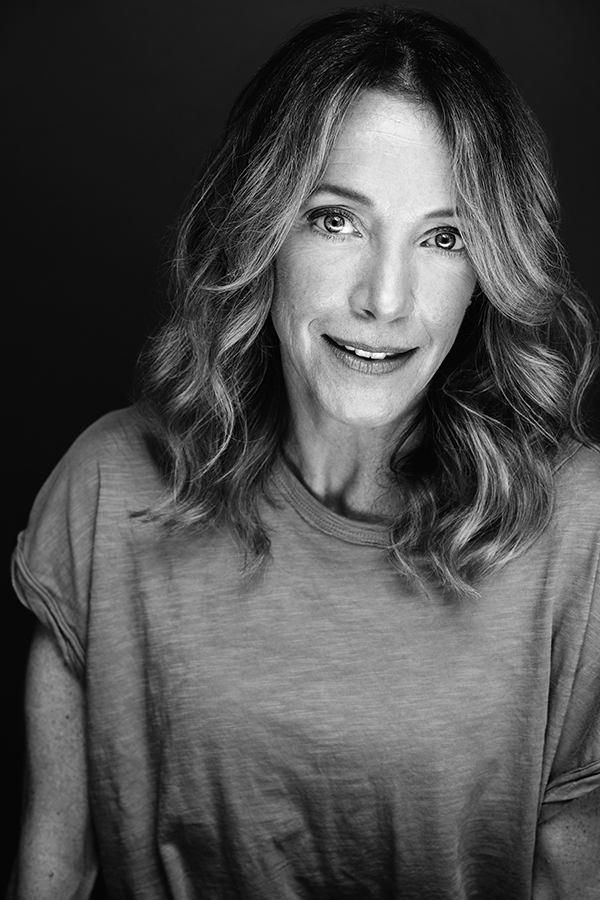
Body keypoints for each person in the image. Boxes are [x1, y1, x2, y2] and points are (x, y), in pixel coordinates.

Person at [8, 6, 599, 899]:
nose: (386, 299)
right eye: (336, 220)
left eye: (445, 237)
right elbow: (51, 866)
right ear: (262, 230)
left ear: (490, 273)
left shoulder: (581, 531)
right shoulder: (108, 486)